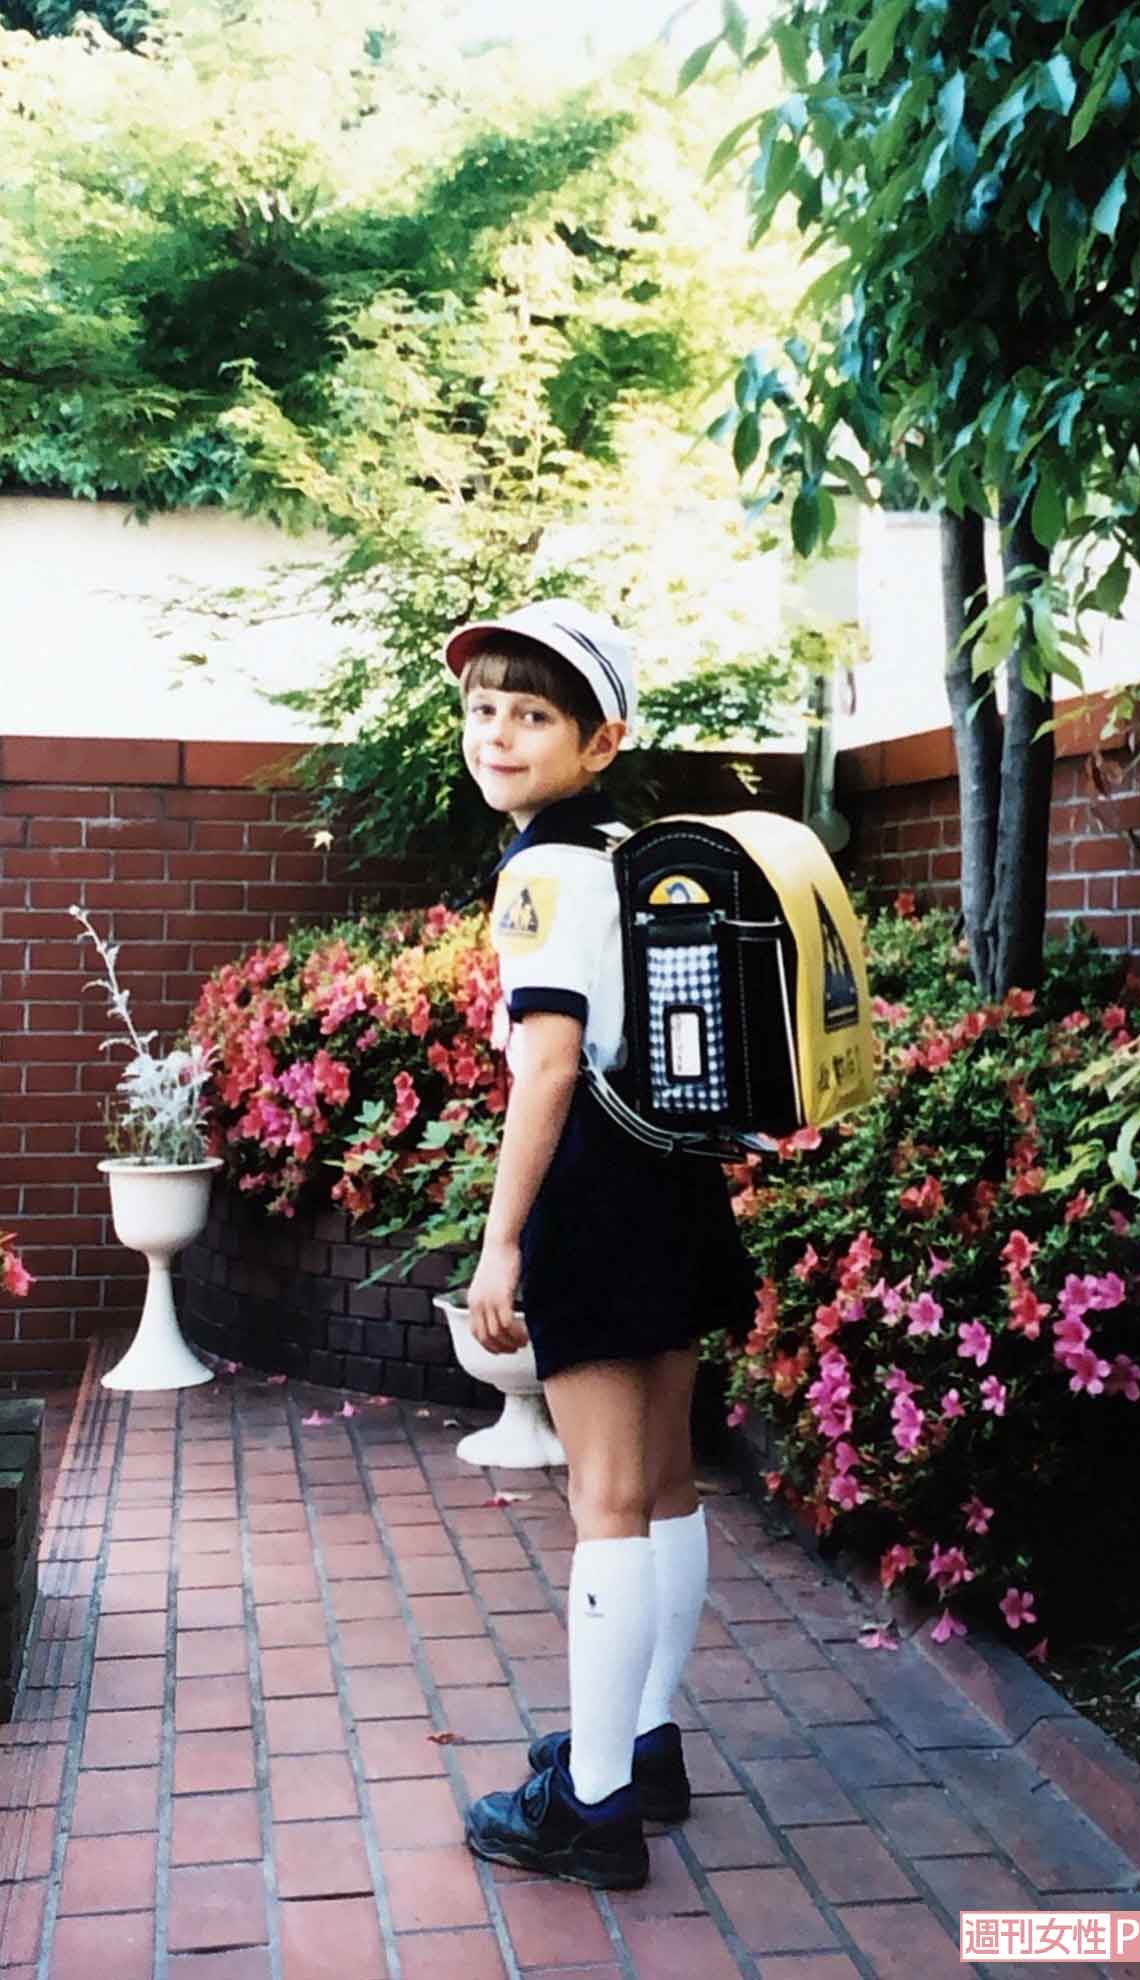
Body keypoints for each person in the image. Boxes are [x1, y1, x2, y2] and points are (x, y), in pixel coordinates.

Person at [441, 599, 756, 1891]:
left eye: (533, 714)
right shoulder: (630, 855)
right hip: (675, 1180)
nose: (499, 733)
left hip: (596, 1192)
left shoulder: (543, 872)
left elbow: (550, 1065)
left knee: (606, 1503)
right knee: (666, 1485)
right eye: (483, 709)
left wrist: (501, 1243)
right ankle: (645, 1744)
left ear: (600, 738)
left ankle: (593, 1809)